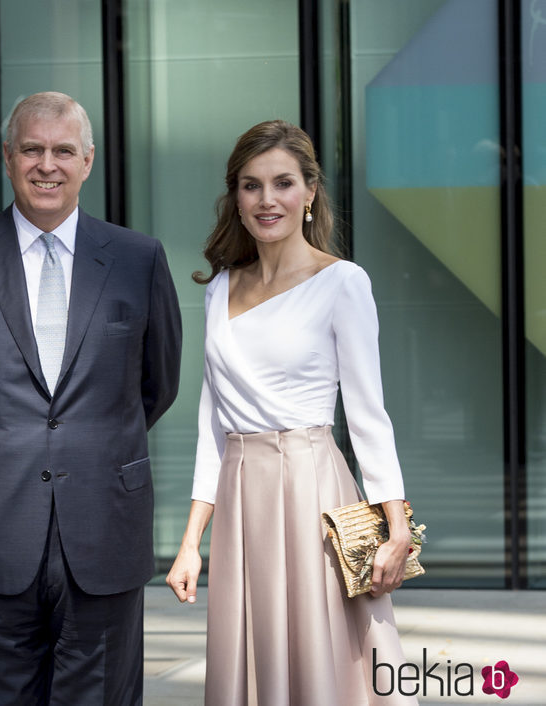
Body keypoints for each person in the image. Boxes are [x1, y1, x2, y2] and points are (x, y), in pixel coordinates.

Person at [0, 91, 182, 704]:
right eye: (31, 149)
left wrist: (90, 439)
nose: (47, 164)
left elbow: (156, 383)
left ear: (88, 161)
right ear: (7, 158)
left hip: (104, 528)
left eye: (63, 151)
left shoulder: (138, 259)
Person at [165, 120, 417, 705]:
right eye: (250, 186)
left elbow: (368, 416)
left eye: (282, 183)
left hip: (314, 489)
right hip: (239, 492)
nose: (266, 199)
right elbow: (213, 422)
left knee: (323, 659)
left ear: (309, 194)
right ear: (237, 197)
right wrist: (189, 542)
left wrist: (397, 527)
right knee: (251, 661)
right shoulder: (219, 287)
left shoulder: (343, 283)